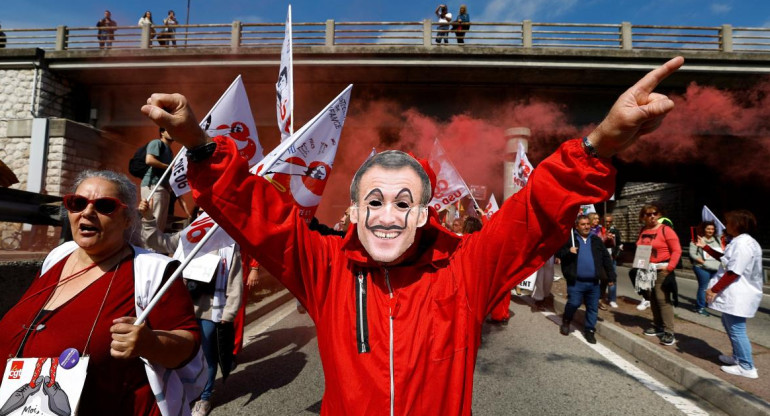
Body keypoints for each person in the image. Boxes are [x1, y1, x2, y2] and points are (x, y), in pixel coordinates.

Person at [140, 56, 685, 416]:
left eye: (404, 202)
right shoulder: (326, 267)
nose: (387, 215)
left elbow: (535, 212)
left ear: (426, 214)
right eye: (373, 201)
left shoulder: (466, 267)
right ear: (353, 211)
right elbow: (260, 214)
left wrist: (598, 147)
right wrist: (200, 142)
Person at [0, 170, 202, 415]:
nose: (87, 212)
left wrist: (151, 343)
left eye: (105, 206)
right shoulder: (58, 256)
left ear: (128, 218)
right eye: (78, 203)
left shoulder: (153, 270)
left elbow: (187, 347)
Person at [138, 200, 244, 416]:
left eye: (210, 213)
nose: (205, 217)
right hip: (181, 306)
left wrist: (228, 314)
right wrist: (148, 217)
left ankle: (204, 398)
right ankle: (183, 391)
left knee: (206, 355)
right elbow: (159, 243)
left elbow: (235, 282)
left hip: (211, 310)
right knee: (179, 350)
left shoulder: (229, 245)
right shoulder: (186, 238)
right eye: (201, 212)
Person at [699, 210, 762, 379]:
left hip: (740, 293)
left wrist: (713, 290)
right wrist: (705, 247)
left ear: (738, 224)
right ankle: (737, 358)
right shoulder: (739, 242)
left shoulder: (743, 244)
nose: (725, 225)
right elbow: (726, 259)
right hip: (735, 292)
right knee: (729, 324)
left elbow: (733, 272)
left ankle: (747, 367)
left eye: (728, 222)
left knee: (737, 329)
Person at [557, 215, 616, 344]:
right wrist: (568, 251)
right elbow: (558, 253)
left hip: (594, 283)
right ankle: (566, 321)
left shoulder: (596, 240)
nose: (586, 226)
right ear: (577, 226)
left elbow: (606, 258)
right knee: (574, 303)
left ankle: (589, 330)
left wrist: (611, 276)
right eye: (583, 224)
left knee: (593, 307)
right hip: (576, 282)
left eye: (588, 224)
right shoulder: (570, 238)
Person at [634, 203, 681, 346]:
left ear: (659, 215)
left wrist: (670, 267)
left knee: (662, 299)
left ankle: (669, 331)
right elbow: (641, 249)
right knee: (652, 298)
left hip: (662, 269)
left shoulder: (666, 230)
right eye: (648, 214)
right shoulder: (643, 230)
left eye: (655, 213)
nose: (652, 216)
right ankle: (658, 325)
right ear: (643, 217)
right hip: (647, 270)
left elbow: (677, 250)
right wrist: (639, 267)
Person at [140, 127, 174, 234]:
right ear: (162, 133)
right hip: (154, 186)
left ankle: (154, 247)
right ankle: (147, 248)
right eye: (170, 130)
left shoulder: (170, 151)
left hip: (163, 187)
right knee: (153, 219)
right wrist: (168, 167)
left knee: (160, 223)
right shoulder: (157, 143)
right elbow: (149, 160)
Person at [689, 220, 721, 316]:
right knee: (704, 287)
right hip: (702, 268)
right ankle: (700, 307)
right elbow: (692, 254)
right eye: (708, 229)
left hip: (715, 268)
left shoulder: (717, 240)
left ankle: (705, 303)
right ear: (704, 229)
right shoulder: (697, 240)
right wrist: (703, 262)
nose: (710, 230)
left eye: (712, 229)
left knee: (711, 287)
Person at [601, 213, 622, 308]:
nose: (608, 223)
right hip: (601, 257)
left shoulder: (615, 231)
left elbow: (619, 244)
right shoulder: (599, 230)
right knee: (601, 277)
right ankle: (599, 296)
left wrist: (616, 253)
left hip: (611, 257)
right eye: (606, 221)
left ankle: (612, 299)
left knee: (612, 277)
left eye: (610, 221)